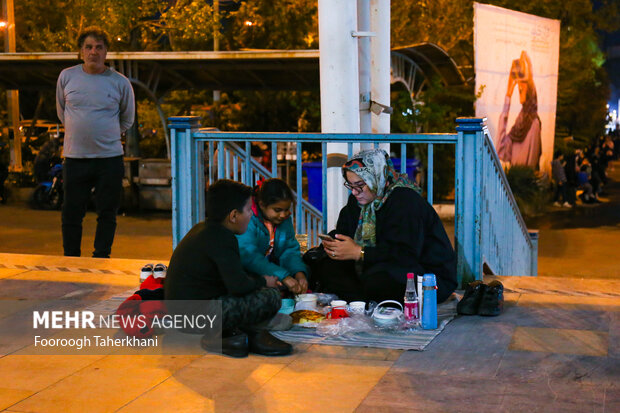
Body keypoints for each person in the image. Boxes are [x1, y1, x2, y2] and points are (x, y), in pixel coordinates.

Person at [164, 179, 293, 358]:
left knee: (256, 287)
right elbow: (238, 285)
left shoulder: (205, 229)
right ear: (233, 216)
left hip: (182, 314)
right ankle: (243, 333)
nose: (251, 215)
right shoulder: (222, 238)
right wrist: (265, 281)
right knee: (270, 297)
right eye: (249, 210)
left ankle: (241, 331)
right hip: (193, 319)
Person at [314, 149, 457, 304]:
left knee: (380, 278)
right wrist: (334, 245)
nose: (355, 192)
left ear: (377, 178)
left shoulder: (405, 201)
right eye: (350, 185)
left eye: (360, 185)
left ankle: (365, 301)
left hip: (425, 275)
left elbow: (405, 255)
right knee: (326, 266)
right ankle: (361, 304)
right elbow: (345, 231)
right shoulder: (357, 203)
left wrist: (359, 252)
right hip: (376, 266)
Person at [56, 26, 135, 258]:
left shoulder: (119, 82)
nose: (93, 52)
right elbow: (62, 112)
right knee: (71, 212)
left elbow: (127, 118)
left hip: (109, 159)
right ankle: (71, 256)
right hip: (75, 158)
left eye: (99, 47)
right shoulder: (66, 77)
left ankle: (101, 256)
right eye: (88, 47)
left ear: (106, 52)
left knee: (107, 212)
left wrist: (104, 134)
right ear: (81, 51)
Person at [237, 178, 309, 295]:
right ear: (262, 204)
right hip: (246, 277)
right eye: (277, 210)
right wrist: (283, 276)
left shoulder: (284, 219)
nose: (283, 215)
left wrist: (299, 273)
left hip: (270, 274)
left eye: (286, 210)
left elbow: (289, 250)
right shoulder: (248, 219)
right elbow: (249, 256)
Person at [497, 51, 542, 169]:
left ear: (531, 89)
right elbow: (501, 151)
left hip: (523, 183)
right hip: (513, 182)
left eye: (524, 83)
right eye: (519, 84)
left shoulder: (533, 123)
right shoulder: (519, 124)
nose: (520, 87)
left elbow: (531, 164)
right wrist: (508, 96)